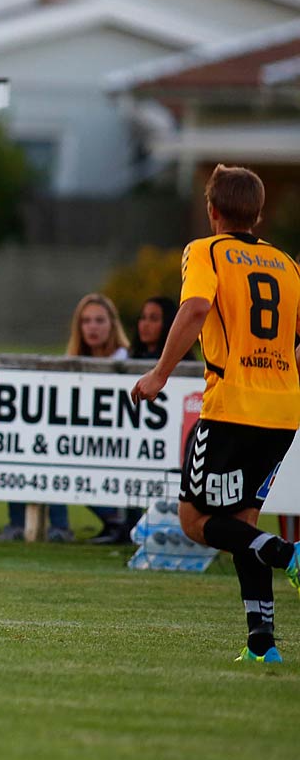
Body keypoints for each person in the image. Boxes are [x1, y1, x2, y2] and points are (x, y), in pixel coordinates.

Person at [133, 165, 299, 664]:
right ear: (259, 212)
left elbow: (195, 308)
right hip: (282, 409)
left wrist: (159, 373)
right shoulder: (288, 265)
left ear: (213, 210)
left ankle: (288, 554)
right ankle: (262, 644)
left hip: (231, 404)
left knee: (193, 519)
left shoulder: (205, 250)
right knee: (243, 522)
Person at [0, 293, 130, 541]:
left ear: (113, 324)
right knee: (28, 451)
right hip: (76, 444)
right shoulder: (70, 364)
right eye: (86, 321)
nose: (93, 327)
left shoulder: (128, 362)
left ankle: (103, 520)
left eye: (99, 320)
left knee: (60, 459)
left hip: (107, 448)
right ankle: (25, 525)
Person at [84, 295, 185, 543]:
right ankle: (124, 525)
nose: (145, 325)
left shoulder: (181, 365)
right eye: (142, 318)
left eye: (154, 319)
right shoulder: (130, 358)